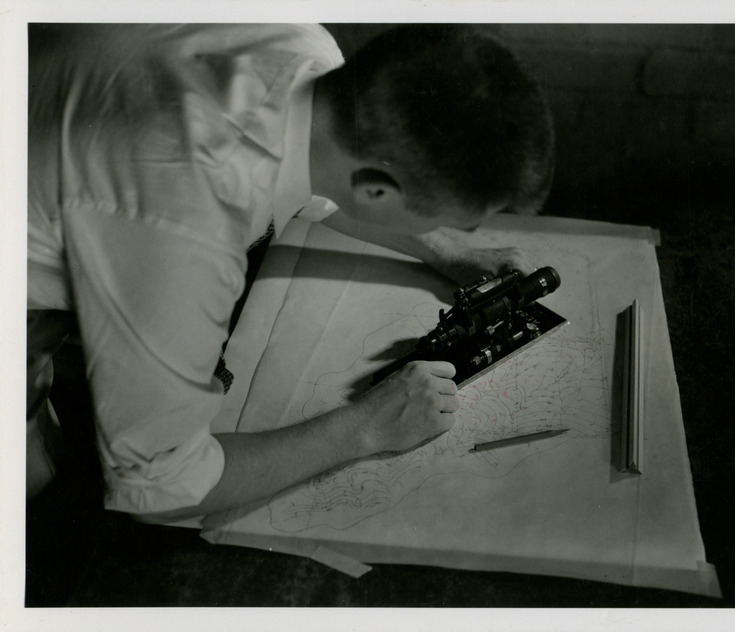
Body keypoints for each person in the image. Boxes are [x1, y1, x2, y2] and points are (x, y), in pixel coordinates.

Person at [26, 23, 555, 521]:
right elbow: (157, 487)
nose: (459, 233)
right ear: (377, 191)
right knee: (38, 485)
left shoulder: (306, 48)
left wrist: (444, 251)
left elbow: (322, 181)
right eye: (453, 223)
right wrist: (365, 427)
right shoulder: (189, 222)